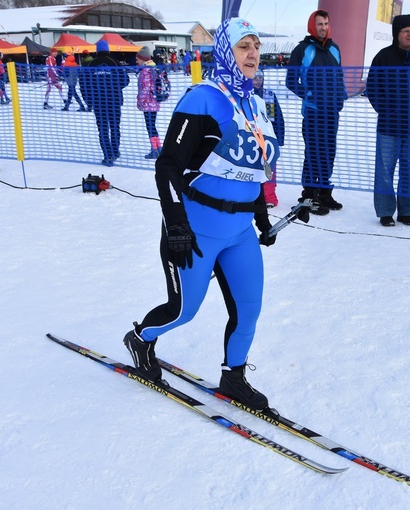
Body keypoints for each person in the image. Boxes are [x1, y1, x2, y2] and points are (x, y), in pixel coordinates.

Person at [122, 18, 279, 412]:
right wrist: (176, 223)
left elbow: (252, 168)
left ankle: (234, 376)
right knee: (183, 310)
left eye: (256, 46)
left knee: (249, 310)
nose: (253, 54)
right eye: (244, 46)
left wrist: (260, 217)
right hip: (196, 228)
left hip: (239, 231)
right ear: (226, 51)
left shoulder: (256, 104)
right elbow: (168, 167)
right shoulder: (202, 98)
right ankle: (140, 338)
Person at [366, 14, 410, 226]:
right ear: (396, 34)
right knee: (385, 171)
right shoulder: (383, 57)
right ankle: (386, 212)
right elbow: (373, 88)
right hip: (388, 127)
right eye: (406, 31)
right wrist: (386, 111)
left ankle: (407, 211)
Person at [286, 9, 347, 215]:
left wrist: (341, 97)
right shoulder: (303, 50)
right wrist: (309, 94)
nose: (324, 28)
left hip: (332, 112)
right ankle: (310, 195)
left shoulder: (335, 49)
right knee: (313, 153)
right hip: (313, 112)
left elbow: (339, 77)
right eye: (320, 24)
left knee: (329, 152)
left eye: (326, 24)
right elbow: (291, 81)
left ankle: (325, 192)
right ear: (313, 25)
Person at [80, 39, 129, 166]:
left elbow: (84, 84)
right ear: (108, 49)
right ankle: (115, 151)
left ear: (97, 50)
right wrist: (115, 87)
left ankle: (108, 155)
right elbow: (125, 80)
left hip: (98, 102)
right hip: (114, 101)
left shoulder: (90, 65)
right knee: (114, 127)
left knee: (102, 129)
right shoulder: (115, 63)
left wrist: (88, 100)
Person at [253, 68, 285, 207]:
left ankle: (269, 196)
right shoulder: (242, 95)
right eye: (254, 78)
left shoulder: (269, 95)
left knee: (270, 167)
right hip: (251, 136)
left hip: (268, 138)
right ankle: (252, 196)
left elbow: (278, 117)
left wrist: (279, 137)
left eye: (260, 78)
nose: (257, 81)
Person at [134, 46, 161, 159]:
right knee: (152, 126)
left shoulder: (145, 71)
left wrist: (140, 102)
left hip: (148, 103)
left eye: (137, 59)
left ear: (142, 59)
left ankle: (154, 149)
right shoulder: (153, 68)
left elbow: (144, 89)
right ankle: (158, 147)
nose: (136, 61)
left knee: (150, 126)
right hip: (154, 102)